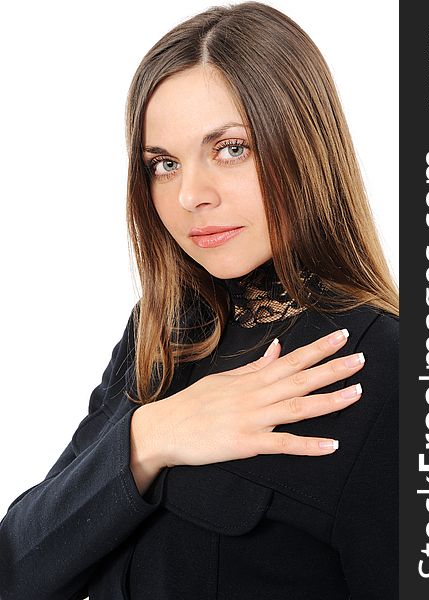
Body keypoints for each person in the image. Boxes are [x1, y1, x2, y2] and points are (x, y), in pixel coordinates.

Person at [0, 1, 398, 598]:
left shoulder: (389, 364)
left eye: (230, 149)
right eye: (163, 164)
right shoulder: (161, 332)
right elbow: (19, 573)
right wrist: (148, 437)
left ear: (303, 148)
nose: (190, 195)